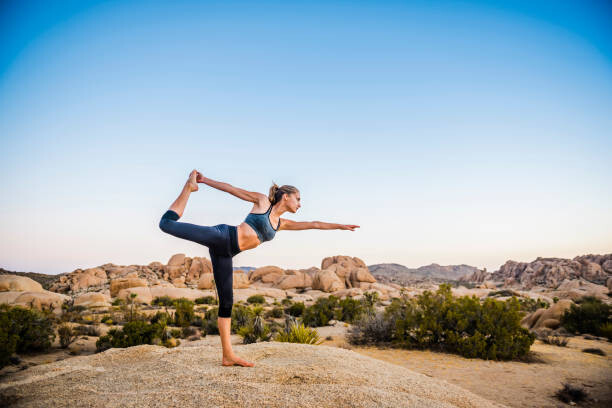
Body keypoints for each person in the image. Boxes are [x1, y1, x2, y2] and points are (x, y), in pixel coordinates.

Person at [159, 169, 360, 367]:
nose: (300, 203)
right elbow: (231, 189)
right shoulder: (263, 202)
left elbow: (314, 224)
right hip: (222, 235)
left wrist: (341, 226)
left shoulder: (282, 223)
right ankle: (189, 187)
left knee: (227, 303)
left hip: (226, 254)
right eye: (298, 199)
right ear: (286, 196)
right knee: (166, 224)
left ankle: (228, 356)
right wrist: (204, 181)